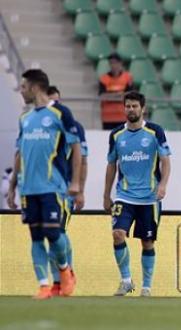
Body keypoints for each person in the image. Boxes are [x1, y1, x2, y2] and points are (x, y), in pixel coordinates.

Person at [7, 69, 81, 299]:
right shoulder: (25, 118)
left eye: (23, 87)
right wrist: (12, 187)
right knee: (36, 236)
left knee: (54, 234)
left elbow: (76, 147)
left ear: (35, 87)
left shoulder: (60, 113)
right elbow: (19, 154)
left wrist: (76, 182)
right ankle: (43, 286)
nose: (21, 91)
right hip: (28, 189)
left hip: (52, 186)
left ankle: (64, 270)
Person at [103, 91, 171, 297]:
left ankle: (146, 287)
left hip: (149, 197)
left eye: (134, 106)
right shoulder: (116, 135)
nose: (131, 109)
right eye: (128, 106)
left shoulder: (155, 132)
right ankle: (126, 281)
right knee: (117, 234)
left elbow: (165, 161)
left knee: (147, 242)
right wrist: (106, 194)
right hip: (124, 195)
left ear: (143, 109)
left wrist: (163, 185)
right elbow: (111, 165)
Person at [46, 86, 89, 296]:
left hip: (64, 190)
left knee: (58, 232)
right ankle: (59, 278)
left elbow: (83, 160)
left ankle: (63, 276)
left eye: (57, 103)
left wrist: (79, 189)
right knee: (51, 234)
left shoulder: (74, 127)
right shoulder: (39, 123)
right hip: (43, 189)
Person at [99, 53, 134, 130]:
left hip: (123, 116)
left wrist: (111, 96)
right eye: (111, 63)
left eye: (115, 62)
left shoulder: (127, 77)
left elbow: (130, 95)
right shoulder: (104, 78)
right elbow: (102, 96)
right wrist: (119, 95)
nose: (113, 65)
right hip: (108, 117)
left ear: (120, 63)